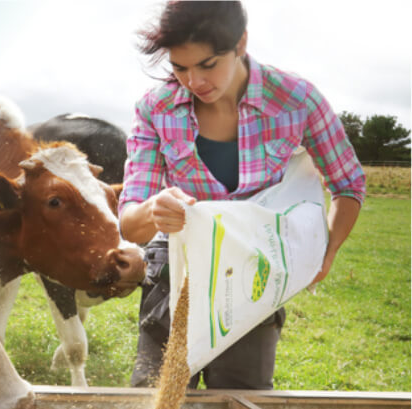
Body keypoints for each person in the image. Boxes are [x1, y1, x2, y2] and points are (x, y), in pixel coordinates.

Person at [119, 0, 365, 389]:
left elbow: (348, 183)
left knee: (241, 403)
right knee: (154, 396)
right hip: (177, 267)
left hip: (255, 268)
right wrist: (155, 206)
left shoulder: (297, 99)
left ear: (241, 43)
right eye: (179, 68)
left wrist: (327, 250)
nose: (193, 81)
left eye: (207, 64)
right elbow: (131, 224)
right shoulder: (155, 109)